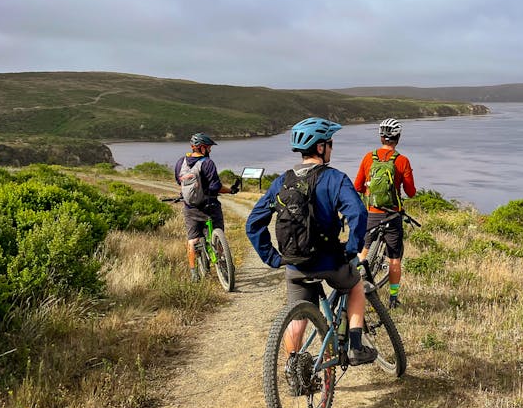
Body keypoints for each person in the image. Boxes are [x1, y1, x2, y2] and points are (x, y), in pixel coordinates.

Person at [245, 117, 377, 365]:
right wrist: (351, 250)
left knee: (297, 320)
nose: (331, 148)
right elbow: (358, 215)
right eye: (330, 144)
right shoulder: (335, 178)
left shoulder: (282, 181)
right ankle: (356, 348)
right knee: (356, 286)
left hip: (295, 265)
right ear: (320, 147)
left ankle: (293, 369)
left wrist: (273, 258)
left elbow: (252, 223)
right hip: (330, 261)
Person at [354, 117, 417, 308]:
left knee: (363, 252)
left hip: (372, 213)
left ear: (381, 137)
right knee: (394, 258)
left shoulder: (368, 157)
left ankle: (353, 290)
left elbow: (357, 185)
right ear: (398, 137)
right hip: (392, 215)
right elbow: (411, 192)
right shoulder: (402, 161)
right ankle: (393, 298)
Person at [173, 132, 240, 282]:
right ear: (202, 148)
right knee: (217, 233)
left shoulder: (180, 162)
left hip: (190, 208)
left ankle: (193, 273)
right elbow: (215, 187)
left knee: (192, 239)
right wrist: (230, 190)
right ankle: (225, 263)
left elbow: (179, 182)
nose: (210, 151)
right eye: (209, 148)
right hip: (209, 207)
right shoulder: (207, 163)